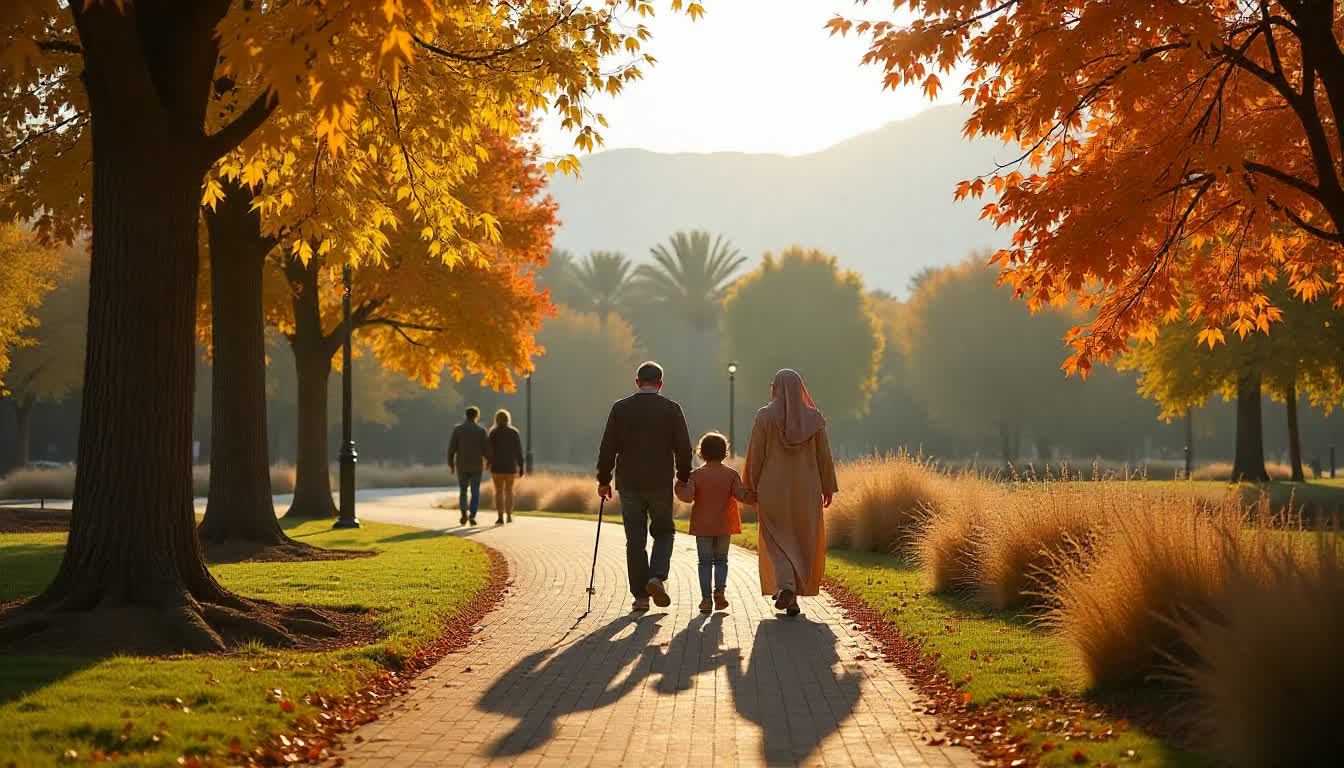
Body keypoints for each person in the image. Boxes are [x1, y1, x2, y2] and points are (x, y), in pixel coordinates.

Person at [596, 361, 693, 612]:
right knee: (663, 531)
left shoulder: (620, 409)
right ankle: (656, 577)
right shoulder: (671, 409)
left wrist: (604, 479)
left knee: (635, 540)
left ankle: (640, 597)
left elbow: (608, 446)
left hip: (629, 482)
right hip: (659, 481)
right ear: (660, 384)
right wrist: (683, 476)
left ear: (637, 382)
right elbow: (683, 447)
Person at [743, 369, 838, 617]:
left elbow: (757, 454)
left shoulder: (764, 416)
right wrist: (828, 486)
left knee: (776, 541)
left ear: (775, 388)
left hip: (773, 489)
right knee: (800, 541)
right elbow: (824, 457)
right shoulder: (814, 419)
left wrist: (751, 486)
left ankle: (786, 587)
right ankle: (792, 598)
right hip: (806, 490)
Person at [676, 432, 756, 614]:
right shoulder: (731, 474)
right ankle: (719, 591)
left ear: (701, 452)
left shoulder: (695, 475)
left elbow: (688, 497)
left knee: (704, 562)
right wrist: (757, 496)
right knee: (721, 560)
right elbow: (741, 495)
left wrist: (678, 486)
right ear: (724, 452)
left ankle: (706, 599)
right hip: (724, 525)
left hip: (702, 526)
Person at [448, 406, 491, 526]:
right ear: (477, 416)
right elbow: (486, 449)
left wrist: (451, 464)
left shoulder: (458, 430)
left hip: (462, 465)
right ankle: (472, 515)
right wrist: (489, 461)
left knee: (463, 490)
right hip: (476, 465)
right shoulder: (481, 431)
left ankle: (463, 514)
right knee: (475, 490)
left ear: (465, 415)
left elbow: (452, 448)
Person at [487, 408, 525, 525]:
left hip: (497, 466)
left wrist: (488, 462)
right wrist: (521, 466)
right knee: (509, 491)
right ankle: (509, 514)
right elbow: (518, 451)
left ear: (496, 419)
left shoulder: (493, 433)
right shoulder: (514, 432)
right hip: (510, 466)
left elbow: (489, 450)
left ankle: (500, 516)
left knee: (498, 491)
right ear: (508, 419)